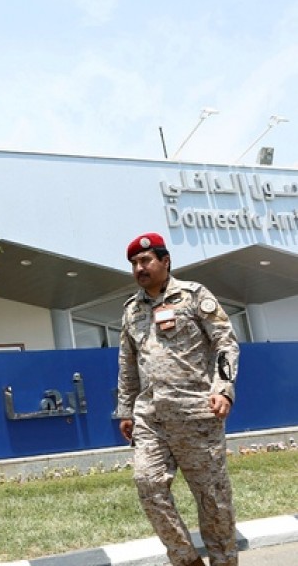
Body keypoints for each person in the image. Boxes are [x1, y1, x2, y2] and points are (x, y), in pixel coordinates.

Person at [116, 232, 239, 566]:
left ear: (164, 261)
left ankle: (224, 561)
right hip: (151, 418)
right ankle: (186, 560)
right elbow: (128, 364)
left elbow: (225, 344)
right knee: (148, 484)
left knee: (213, 501)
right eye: (134, 264)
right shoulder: (130, 310)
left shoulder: (194, 296)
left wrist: (222, 389)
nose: (139, 268)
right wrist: (126, 409)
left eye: (145, 260)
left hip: (196, 413)